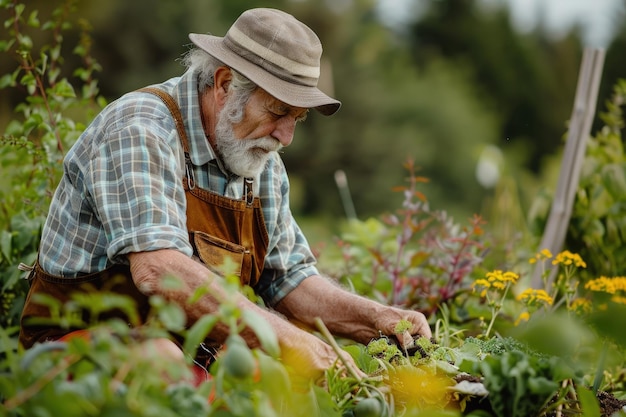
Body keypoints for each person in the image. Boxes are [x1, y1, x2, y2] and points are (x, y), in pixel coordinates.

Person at [19, 7, 431, 382]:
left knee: (265, 378)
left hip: (184, 354)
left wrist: (378, 319)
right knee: (162, 361)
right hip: (67, 353)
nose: (285, 137)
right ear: (225, 84)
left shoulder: (257, 158)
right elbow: (158, 268)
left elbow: (289, 279)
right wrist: (289, 341)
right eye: (277, 112)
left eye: (297, 119)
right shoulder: (141, 129)